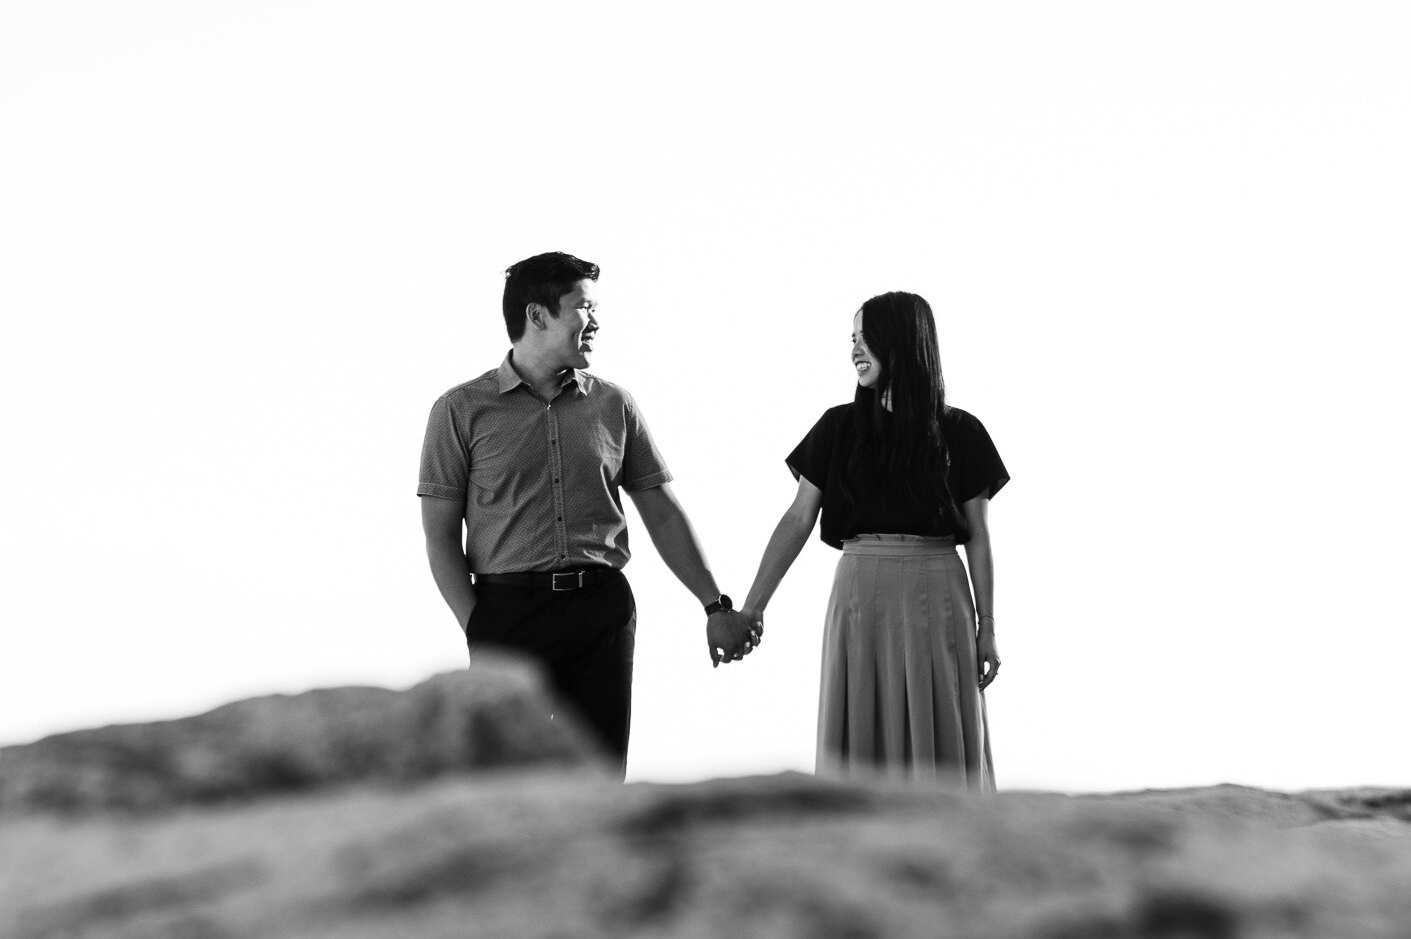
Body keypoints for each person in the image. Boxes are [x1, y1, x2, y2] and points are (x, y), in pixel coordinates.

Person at [417, 252, 759, 774]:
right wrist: (480, 627)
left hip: (601, 614)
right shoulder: (459, 410)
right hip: (507, 617)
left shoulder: (614, 405)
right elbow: (440, 538)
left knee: (600, 780)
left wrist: (716, 607)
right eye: (584, 307)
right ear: (537, 316)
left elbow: (662, 513)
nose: (596, 322)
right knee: (509, 784)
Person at [737, 292, 1007, 787]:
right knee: (860, 728)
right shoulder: (837, 427)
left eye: (867, 338)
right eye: (852, 339)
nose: (856, 350)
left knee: (944, 732)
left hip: (940, 590)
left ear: (904, 342)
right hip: (861, 590)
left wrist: (987, 625)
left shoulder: (962, 431)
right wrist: (752, 608)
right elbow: (798, 519)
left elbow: (980, 538)